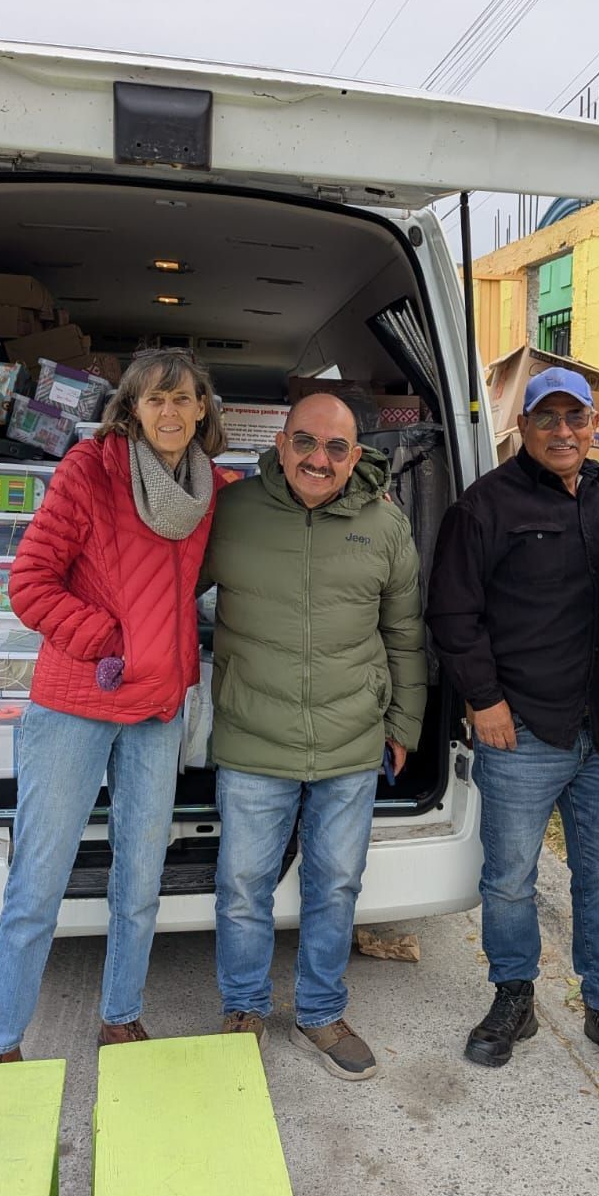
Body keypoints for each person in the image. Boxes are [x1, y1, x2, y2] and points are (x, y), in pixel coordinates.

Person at [0, 350, 230, 1062]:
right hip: (77, 702)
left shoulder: (209, 489)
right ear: (132, 410)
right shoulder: (91, 471)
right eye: (155, 401)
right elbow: (28, 585)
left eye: (183, 399)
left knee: (141, 876)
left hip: (155, 710)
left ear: (203, 407)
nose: (171, 413)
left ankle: (122, 1015)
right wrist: (109, 641)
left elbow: (279, 512)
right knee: (40, 880)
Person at [426, 367, 599, 1079]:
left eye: (577, 418)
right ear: (521, 427)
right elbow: (452, 615)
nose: (564, 432)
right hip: (521, 727)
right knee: (509, 879)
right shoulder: (483, 507)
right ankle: (514, 997)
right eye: (547, 419)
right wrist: (484, 699)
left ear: (596, 425)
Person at [202, 391, 426, 1080]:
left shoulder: (386, 528)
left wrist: (404, 723)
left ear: (356, 456)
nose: (318, 460)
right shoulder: (232, 512)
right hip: (252, 737)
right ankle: (243, 1008)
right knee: (243, 884)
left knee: (335, 885)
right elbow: (164, 588)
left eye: (336, 448)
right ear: (280, 444)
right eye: (304, 442)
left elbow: (404, 634)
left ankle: (321, 1012)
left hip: (350, 741)